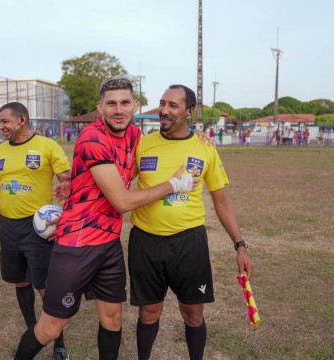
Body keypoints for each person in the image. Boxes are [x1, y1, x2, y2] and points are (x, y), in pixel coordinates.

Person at [14, 76, 197, 360]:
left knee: (112, 320)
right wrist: (173, 186)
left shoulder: (136, 136)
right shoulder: (92, 137)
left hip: (110, 244)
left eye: (125, 103)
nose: (118, 109)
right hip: (78, 244)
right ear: (100, 108)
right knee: (50, 327)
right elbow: (122, 200)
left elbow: (126, 169)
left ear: (135, 106)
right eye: (111, 104)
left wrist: (198, 138)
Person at [128, 85, 254, 360]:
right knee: (148, 312)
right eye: (162, 103)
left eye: (173, 105)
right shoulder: (143, 144)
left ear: (189, 112)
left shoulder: (204, 147)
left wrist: (240, 245)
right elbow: (119, 185)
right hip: (145, 241)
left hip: (189, 243)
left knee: (193, 314)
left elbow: (221, 201)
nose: (164, 110)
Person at [0, 102, 71, 360]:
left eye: (5, 121)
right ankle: (32, 333)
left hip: (38, 229)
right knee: (20, 281)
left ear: (21, 119)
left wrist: (65, 219)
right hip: (8, 228)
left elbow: (68, 184)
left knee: (45, 288)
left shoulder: (47, 146)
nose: (1, 127)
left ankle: (58, 342)